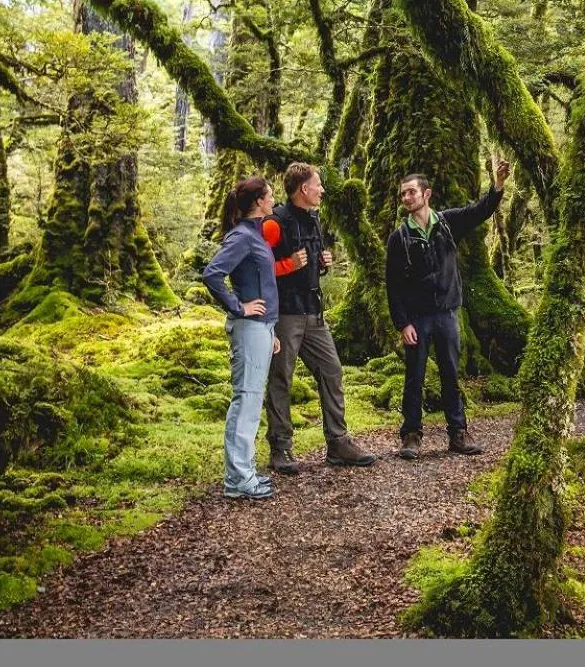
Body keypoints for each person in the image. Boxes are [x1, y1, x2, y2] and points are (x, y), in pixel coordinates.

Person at [385, 160, 511, 459]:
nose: (406, 198)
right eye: (403, 194)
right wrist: (402, 323)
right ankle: (411, 436)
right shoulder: (399, 238)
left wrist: (498, 186)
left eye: (411, 192)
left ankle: (458, 433)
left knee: (451, 374)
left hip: (447, 314)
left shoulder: (447, 223)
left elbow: (479, 211)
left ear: (426, 194)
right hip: (417, 318)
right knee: (414, 376)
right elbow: (392, 285)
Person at [261, 162, 376, 474]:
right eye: (318, 184)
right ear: (303, 189)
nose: (322, 189)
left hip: (314, 312)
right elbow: (256, 268)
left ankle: (338, 443)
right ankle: (281, 448)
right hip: (285, 313)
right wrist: (286, 265)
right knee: (281, 378)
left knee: (332, 371)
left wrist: (323, 262)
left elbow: (310, 261)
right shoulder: (275, 223)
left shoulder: (314, 220)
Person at [202, 176, 282, 500]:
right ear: (259, 202)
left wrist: (271, 330)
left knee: (251, 400)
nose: (274, 199)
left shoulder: (255, 234)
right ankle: (237, 479)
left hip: (261, 329)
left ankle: (244, 471)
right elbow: (212, 274)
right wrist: (239, 307)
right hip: (249, 329)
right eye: (270, 195)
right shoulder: (241, 237)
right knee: (246, 399)